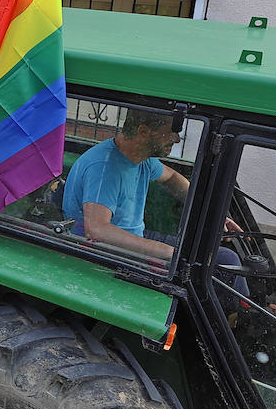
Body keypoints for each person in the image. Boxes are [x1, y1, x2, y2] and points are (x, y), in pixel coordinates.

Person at [62, 110, 248, 298]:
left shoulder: (142, 159)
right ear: (143, 131)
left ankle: (243, 310)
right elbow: (96, 230)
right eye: (171, 131)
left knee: (224, 258)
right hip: (106, 254)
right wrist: (167, 252)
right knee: (206, 267)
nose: (177, 139)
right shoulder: (104, 168)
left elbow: (171, 178)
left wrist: (210, 212)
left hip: (132, 237)